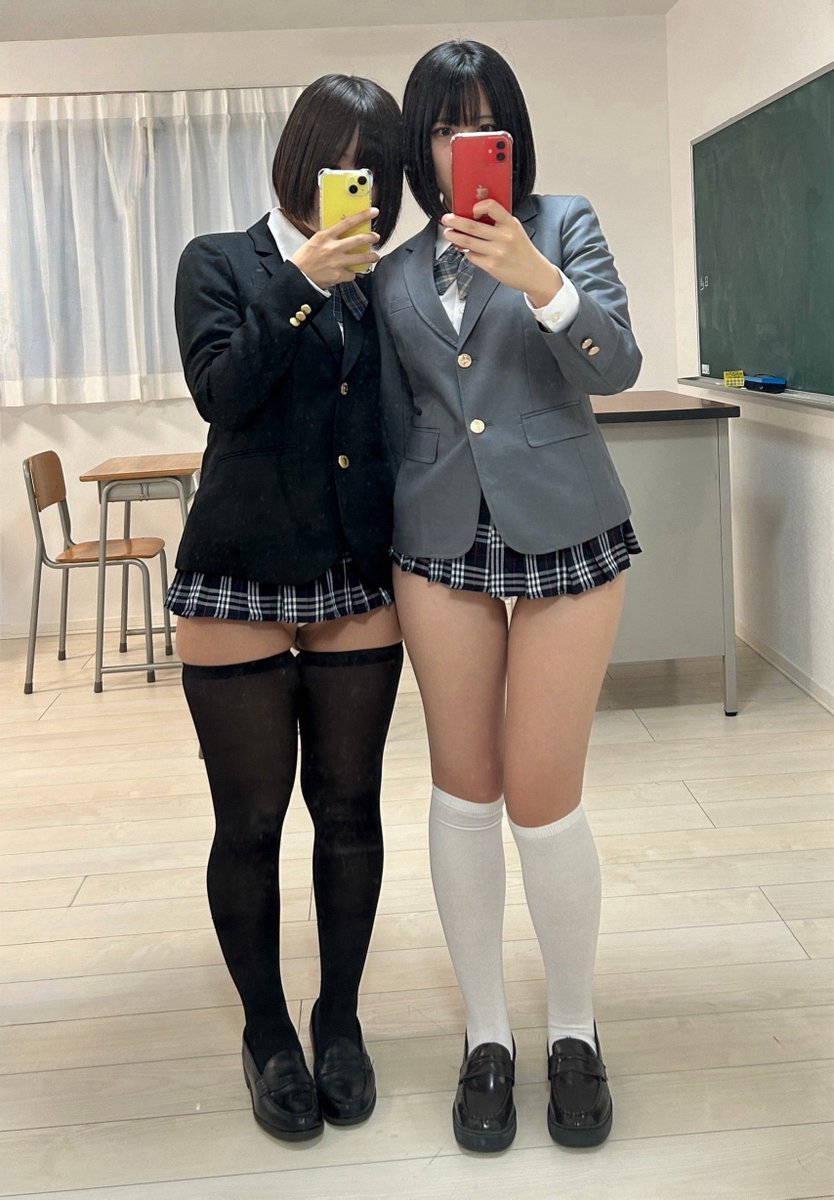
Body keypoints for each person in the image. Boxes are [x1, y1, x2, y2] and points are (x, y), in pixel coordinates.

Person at [373, 41, 642, 1153]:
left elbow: (616, 365)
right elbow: (393, 419)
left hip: (564, 529)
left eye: (482, 125)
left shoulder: (564, 224)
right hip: (439, 542)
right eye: (443, 128)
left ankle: (572, 1029)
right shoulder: (391, 273)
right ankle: (487, 1035)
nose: (461, 147)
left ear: (514, 137)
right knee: (464, 792)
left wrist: (540, 277)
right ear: (420, 145)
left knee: (545, 798)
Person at [167, 74, 404, 1142]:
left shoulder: (383, 285)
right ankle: (267, 1033)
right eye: (336, 157)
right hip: (239, 575)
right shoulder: (218, 261)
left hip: (355, 574)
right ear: (297, 156)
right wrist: (302, 280)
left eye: (373, 165)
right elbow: (223, 391)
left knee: (350, 812)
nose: (352, 180)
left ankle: (338, 1019)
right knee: (252, 821)